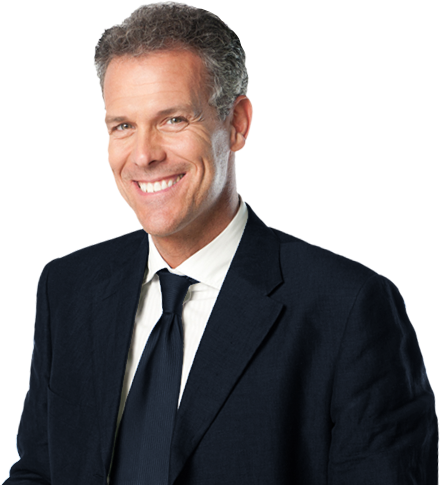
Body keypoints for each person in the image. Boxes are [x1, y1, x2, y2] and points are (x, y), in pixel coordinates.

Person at [5, 4, 438, 484]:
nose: (144, 154)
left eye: (173, 119)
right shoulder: (69, 288)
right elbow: (40, 471)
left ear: (237, 122)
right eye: (123, 125)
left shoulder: (347, 308)